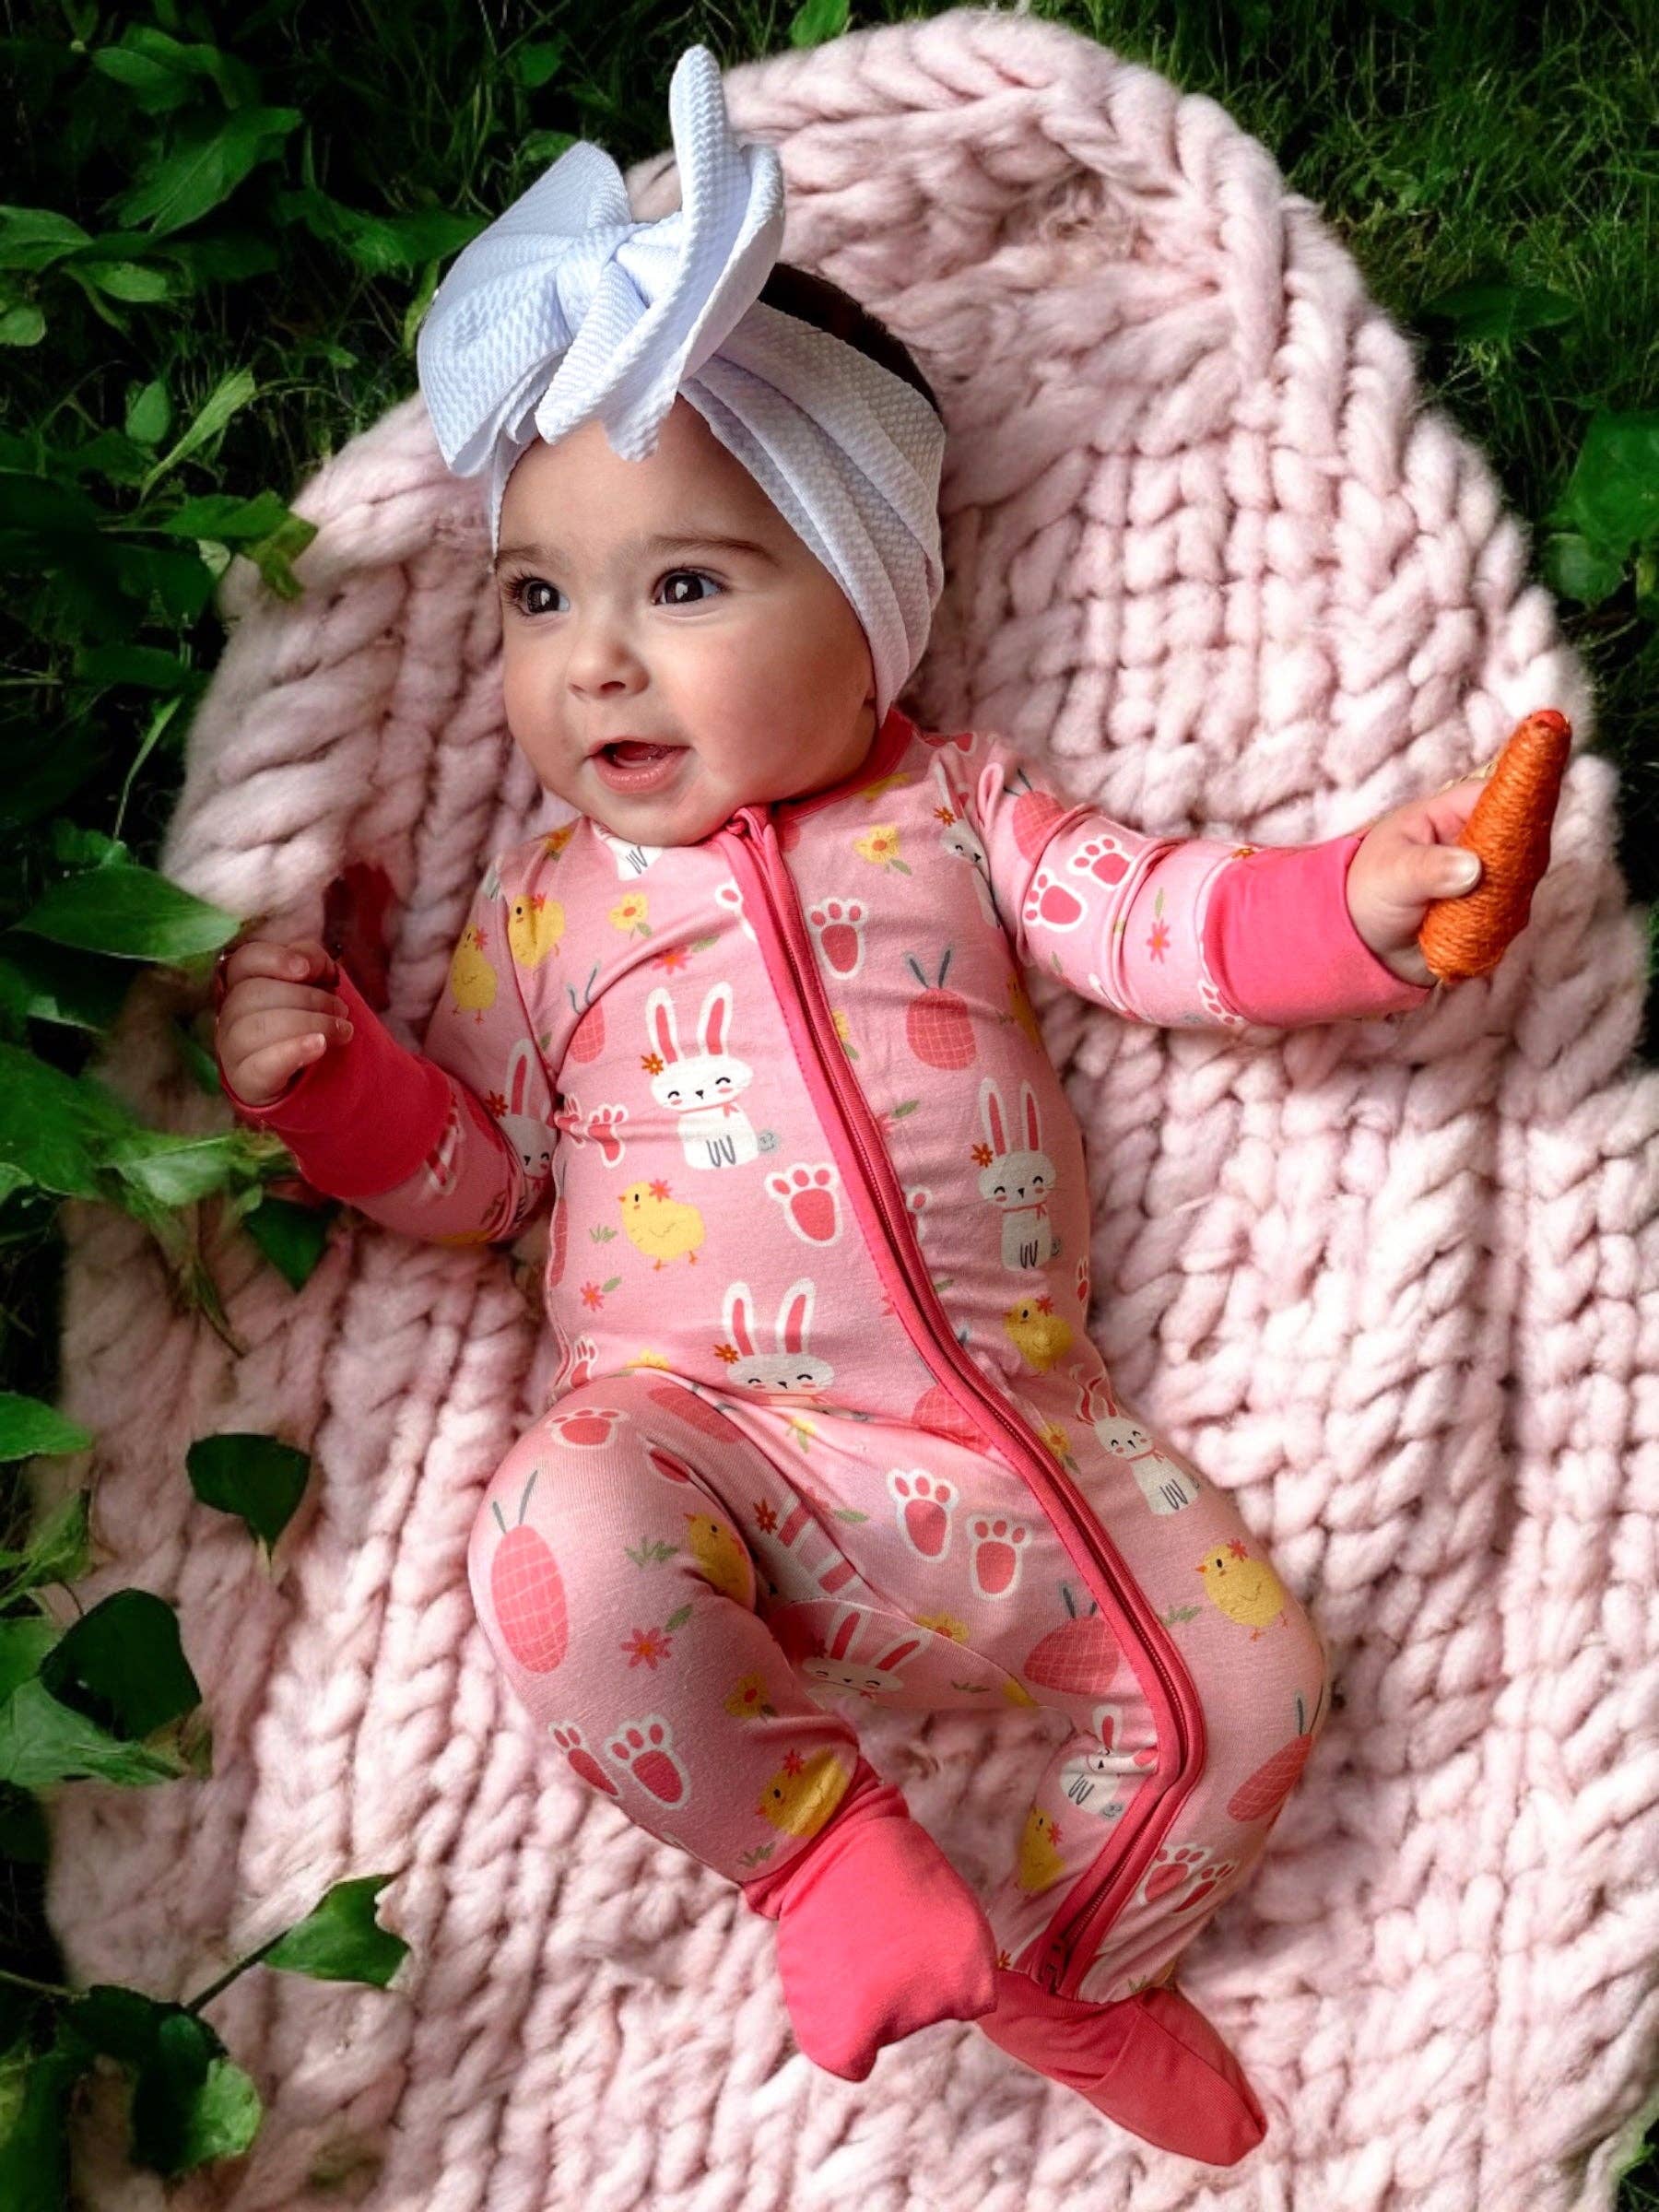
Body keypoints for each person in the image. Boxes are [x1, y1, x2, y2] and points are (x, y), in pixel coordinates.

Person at [212, 45, 1504, 2167]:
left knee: (1251, 1698)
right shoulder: (544, 912)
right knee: (552, 1538)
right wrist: (337, 1087)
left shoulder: (956, 814)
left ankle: (1073, 1976)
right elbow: (490, 1177)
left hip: (1019, 1448)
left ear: (872, 611)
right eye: (539, 597)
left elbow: (1160, 921)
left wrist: (1356, 911)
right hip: (708, 1451)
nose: (593, 662)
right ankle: (822, 1854)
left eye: (684, 587)